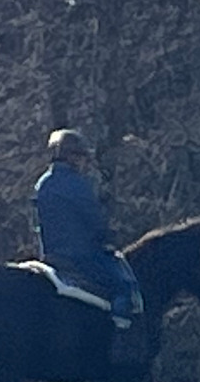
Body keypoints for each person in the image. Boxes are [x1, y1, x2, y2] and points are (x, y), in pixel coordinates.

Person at [33, 129, 141, 328]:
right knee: (124, 286)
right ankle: (121, 333)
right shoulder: (77, 185)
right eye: (81, 157)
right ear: (72, 157)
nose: (84, 163)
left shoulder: (42, 184)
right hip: (81, 256)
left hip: (50, 256)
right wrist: (109, 238)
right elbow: (93, 221)